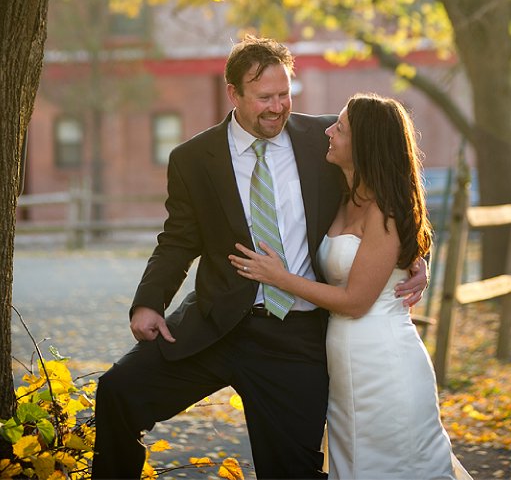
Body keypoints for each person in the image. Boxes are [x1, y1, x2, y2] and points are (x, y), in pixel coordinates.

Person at [92, 36, 428, 479]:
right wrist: (149, 302)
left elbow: (391, 186)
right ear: (234, 94)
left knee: (291, 470)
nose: (277, 106)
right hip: (214, 327)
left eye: (285, 94)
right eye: (264, 97)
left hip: (297, 338)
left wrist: (412, 256)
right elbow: (177, 239)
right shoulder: (194, 159)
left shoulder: (328, 139)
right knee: (117, 392)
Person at [230, 93, 470, 480]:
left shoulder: (385, 210)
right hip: (345, 369)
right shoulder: (342, 194)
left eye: (339, 128)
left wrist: (280, 279)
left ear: (364, 145)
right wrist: (411, 260)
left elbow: (356, 302)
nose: (328, 131)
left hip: (384, 365)